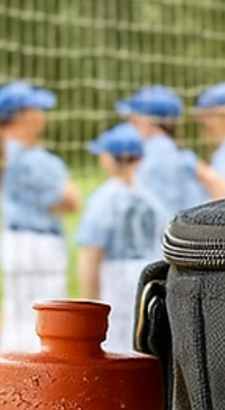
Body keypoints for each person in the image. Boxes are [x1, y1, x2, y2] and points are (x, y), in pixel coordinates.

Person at [0, 80, 78, 351]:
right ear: (22, 116)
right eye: (35, 110)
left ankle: (9, 387)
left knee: (16, 315)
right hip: (39, 244)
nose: (41, 116)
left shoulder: (8, 152)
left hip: (15, 241)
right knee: (45, 318)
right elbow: (70, 200)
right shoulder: (34, 158)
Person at [73, 122, 172, 354]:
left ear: (110, 159)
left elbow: (91, 254)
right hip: (147, 277)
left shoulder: (104, 198)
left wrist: (89, 302)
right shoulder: (152, 198)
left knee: (113, 348)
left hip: (115, 279)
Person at [114, 84, 208, 217]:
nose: (129, 126)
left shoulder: (145, 158)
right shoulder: (183, 156)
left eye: (133, 120)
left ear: (148, 121)